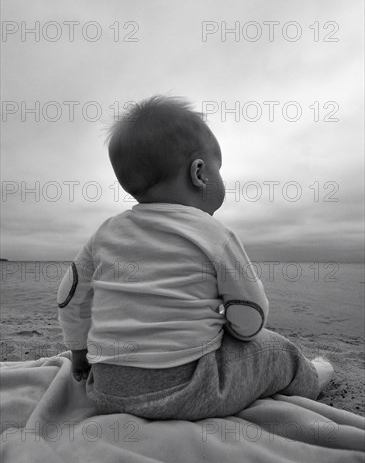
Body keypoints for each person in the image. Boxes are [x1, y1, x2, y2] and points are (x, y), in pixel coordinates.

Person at [57, 95, 333, 420]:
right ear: (200, 173)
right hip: (188, 389)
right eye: (220, 168)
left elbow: (71, 294)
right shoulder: (212, 233)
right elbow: (251, 312)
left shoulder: (105, 233)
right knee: (275, 349)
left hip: (106, 389)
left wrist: (78, 348)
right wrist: (235, 332)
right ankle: (312, 377)